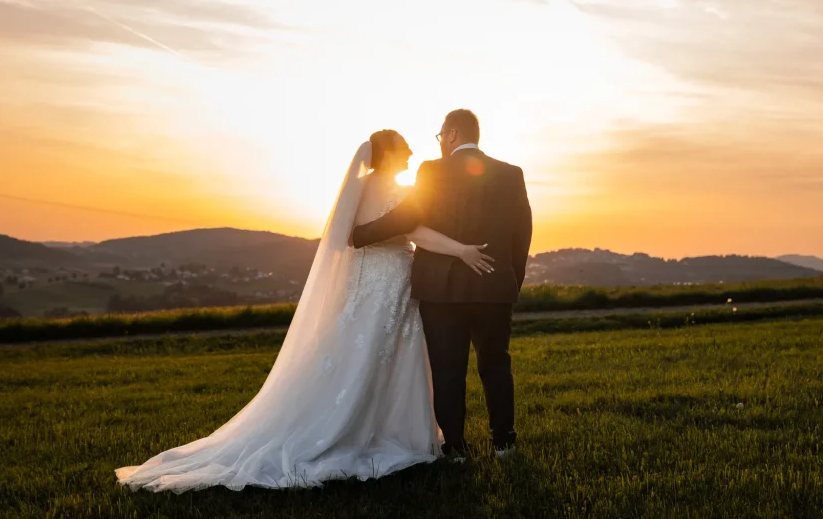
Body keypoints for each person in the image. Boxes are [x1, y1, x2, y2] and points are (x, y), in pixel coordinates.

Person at [116, 129, 493, 491]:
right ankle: (388, 432)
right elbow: (415, 232)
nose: (411, 152)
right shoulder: (399, 192)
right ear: (391, 153)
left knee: (359, 353)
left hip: (365, 282)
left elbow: (347, 238)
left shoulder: (359, 188)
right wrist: (462, 250)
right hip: (390, 282)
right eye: (406, 146)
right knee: (389, 355)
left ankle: (372, 425)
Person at [352, 110, 532, 460]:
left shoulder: (432, 171)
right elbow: (522, 233)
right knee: (496, 364)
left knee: (448, 369)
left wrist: (360, 235)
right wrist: (512, 280)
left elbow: (407, 216)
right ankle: (504, 443)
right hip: (494, 288)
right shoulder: (511, 173)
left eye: (440, 136)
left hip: (441, 290)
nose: (439, 143)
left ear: (451, 134)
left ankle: (456, 448)